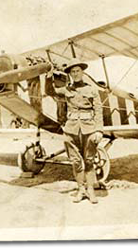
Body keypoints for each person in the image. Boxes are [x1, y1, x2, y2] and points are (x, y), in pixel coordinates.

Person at [45, 59, 103, 204]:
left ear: (82, 72)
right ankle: (81, 190)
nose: (75, 74)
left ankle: (90, 190)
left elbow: (98, 110)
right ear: (70, 75)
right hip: (71, 130)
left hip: (89, 129)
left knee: (89, 161)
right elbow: (49, 91)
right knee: (76, 162)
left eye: (78, 71)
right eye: (72, 72)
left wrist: (99, 131)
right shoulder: (66, 90)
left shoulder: (91, 89)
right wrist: (48, 76)